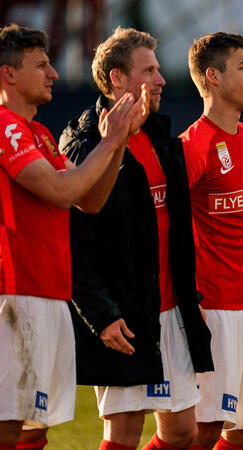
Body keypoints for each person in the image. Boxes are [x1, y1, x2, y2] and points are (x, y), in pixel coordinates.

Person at [60, 27, 214, 450]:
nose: (162, 79)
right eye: (149, 70)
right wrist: (100, 314)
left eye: (159, 69)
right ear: (117, 78)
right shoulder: (86, 142)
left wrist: (188, 301)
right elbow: (74, 243)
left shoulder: (161, 137)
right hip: (123, 315)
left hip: (170, 313)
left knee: (183, 432)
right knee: (124, 433)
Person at [0, 23, 141, 450]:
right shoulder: (6, 126)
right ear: (8, 74)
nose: (54, 73)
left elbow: (88, 199)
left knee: (34, 426)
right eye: (41, 64)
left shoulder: (39, 133)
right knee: (8, 424)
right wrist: (110, 138)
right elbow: (61, 190)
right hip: (17, 290)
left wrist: (117, 144)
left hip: (47, 292)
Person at [180, 32, 243, 450]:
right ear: (212, 76)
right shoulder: (193, 145)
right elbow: (168, 225)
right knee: (204, 429)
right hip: (211, 308)